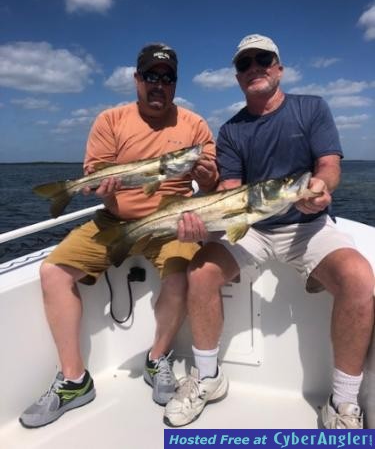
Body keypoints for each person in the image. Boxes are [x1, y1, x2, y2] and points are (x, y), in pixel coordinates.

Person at [164, 34, 375, 429]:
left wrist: (320, 189)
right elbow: (229, 192)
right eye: (245, 64)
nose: (254, 67)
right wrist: (203, 224)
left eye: (263, 59)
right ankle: (207, 378)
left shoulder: (311, 108)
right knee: (200, 272)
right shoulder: (230, 131)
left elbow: (328, 165)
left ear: (279, 67)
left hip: (308, 225)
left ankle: (343, 403)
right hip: (252, 228)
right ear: (238, 77)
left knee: (359, 277)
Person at [20, 43, 218, 428]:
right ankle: (75, 380)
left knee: (181, 274)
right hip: (113, 220)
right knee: (53, 272)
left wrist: (203, 172)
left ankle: (156, 358)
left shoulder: (194, 125)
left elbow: (209, 183)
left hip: (171, 222)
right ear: (137, 79)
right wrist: (106, 187)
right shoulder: (110, 120)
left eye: (167, 78)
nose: (159, 84)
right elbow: (99, 179)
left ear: (175, 84)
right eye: (151, 76)